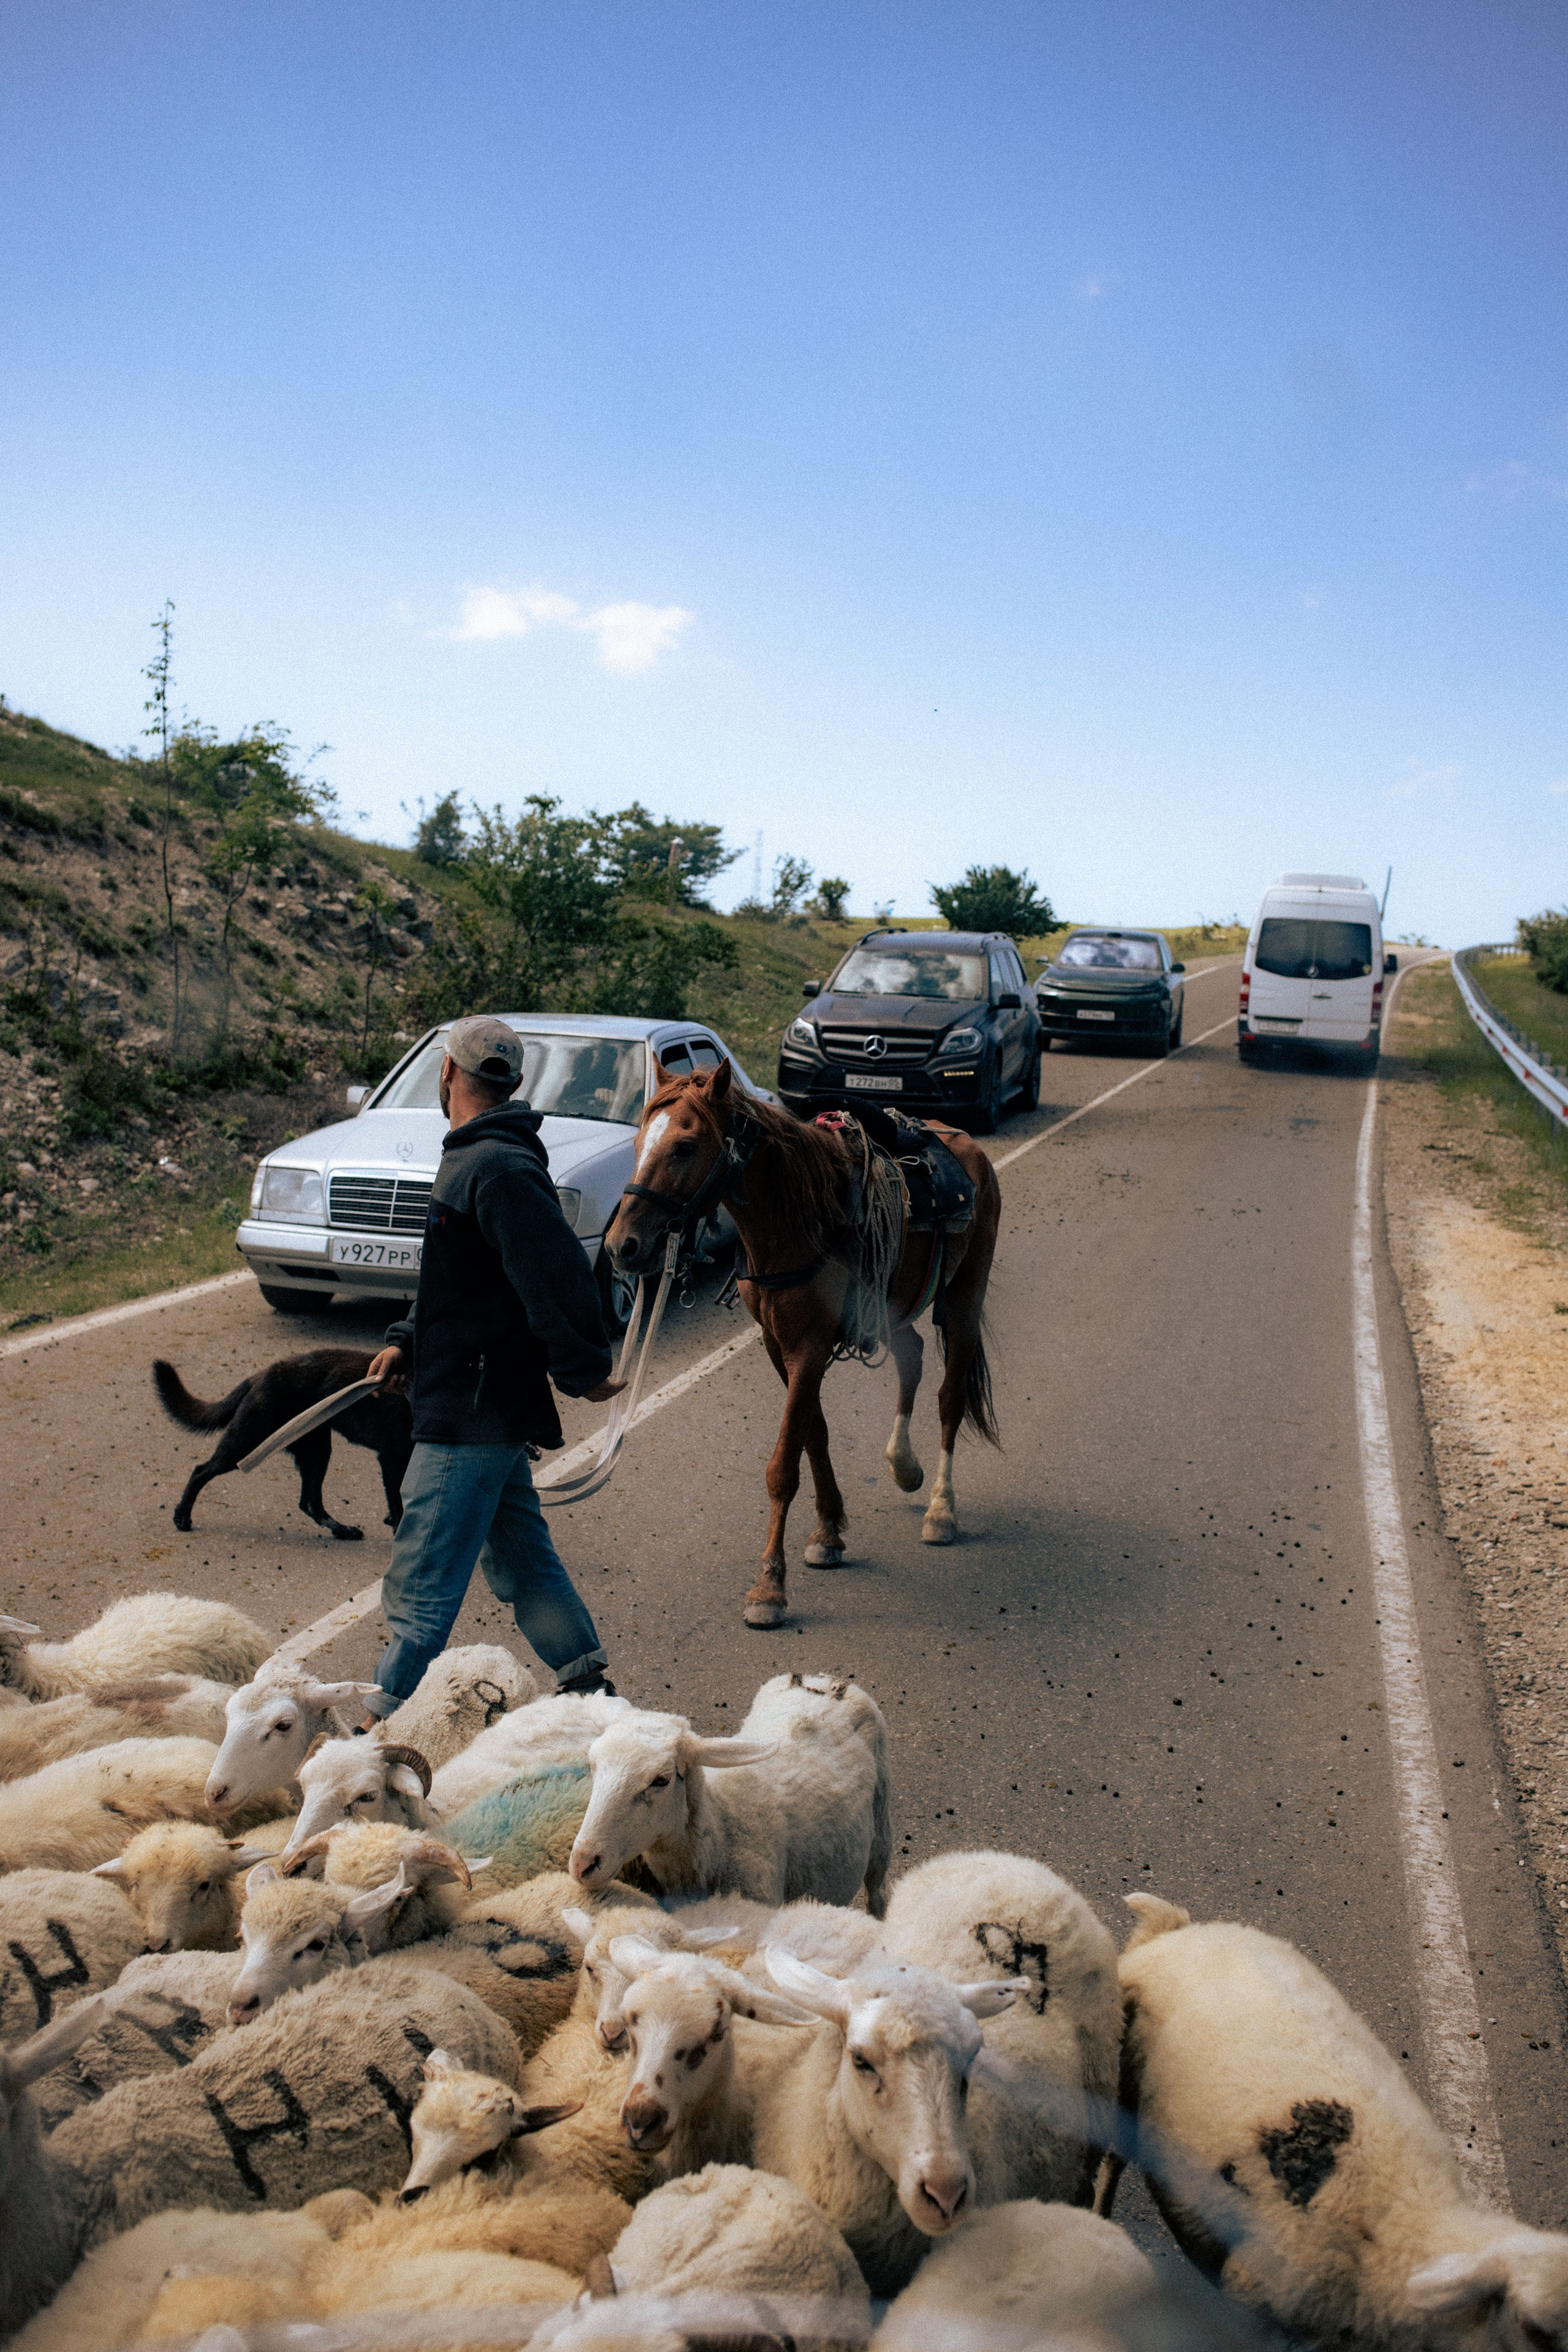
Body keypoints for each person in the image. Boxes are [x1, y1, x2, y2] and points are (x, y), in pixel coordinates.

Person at [360, 1015, 624, 1719]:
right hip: (486, 1404)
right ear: (515, 1081)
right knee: (522, 1562)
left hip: (470, 1412)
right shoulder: (481, 1157)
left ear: (447, 1071)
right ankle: (589, 1694)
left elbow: (555, 1273)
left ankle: (374, 1730)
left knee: (422, 1586)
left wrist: (582, 1366)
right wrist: (408, 1339)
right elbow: (461, 1282)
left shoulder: (497, 1166)